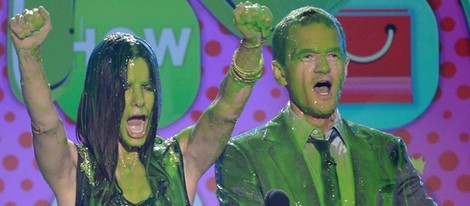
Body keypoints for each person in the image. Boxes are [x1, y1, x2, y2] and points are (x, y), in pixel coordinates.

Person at [9, 2, 272, 205]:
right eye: (124, 88)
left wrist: (250, 47)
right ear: (102, 96)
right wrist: (28, 54)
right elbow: (44, 125)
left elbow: (225, 112)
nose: (138, 100)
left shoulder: (178, 162)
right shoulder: (73, 171)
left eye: (147, 88)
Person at [215, 6, 437, 206]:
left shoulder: (387, 151)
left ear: (346, 67)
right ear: (281, 73)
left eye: (332, 55)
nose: (323, 67)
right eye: (308, 56)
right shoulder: (245, 156)